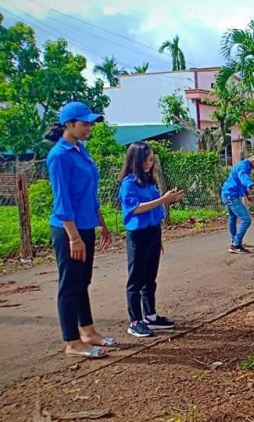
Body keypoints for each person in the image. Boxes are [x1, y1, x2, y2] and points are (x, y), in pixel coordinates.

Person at [45, 102, 114, 359]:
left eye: (90, 124)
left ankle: (88, 332)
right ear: (69, 124)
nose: (89, 128)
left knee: (82, 282)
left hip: (86, 225)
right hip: (68, 231)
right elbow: (62, 201)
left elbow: (90, 194)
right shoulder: (59, 155)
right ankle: (72, 342)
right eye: (84, 124)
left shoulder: (81, 150)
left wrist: (102, 224)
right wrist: (74, 237)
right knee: (69, 285)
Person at [118, 142, 184, 338]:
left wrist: (159, 238)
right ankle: (135, 321)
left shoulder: (149, 181)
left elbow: (154, 210)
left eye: (151, 159)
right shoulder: (128, 183)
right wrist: (164, 200)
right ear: (135, 160)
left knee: (150, 278)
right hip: (138, 235)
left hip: (153, 232)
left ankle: (151, 316)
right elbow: (135, 209)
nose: (150, 162)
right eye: (146, 159)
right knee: (136, 279)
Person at [221, 150, 254, 254]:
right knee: (246, 219)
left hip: (228, 193)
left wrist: (247, 195)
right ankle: (236, 244)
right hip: (230, 195)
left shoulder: (245, 166)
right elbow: (245, 180)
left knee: (232, 217)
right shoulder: (242, 167)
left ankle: (235, 240)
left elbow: (240, 183)